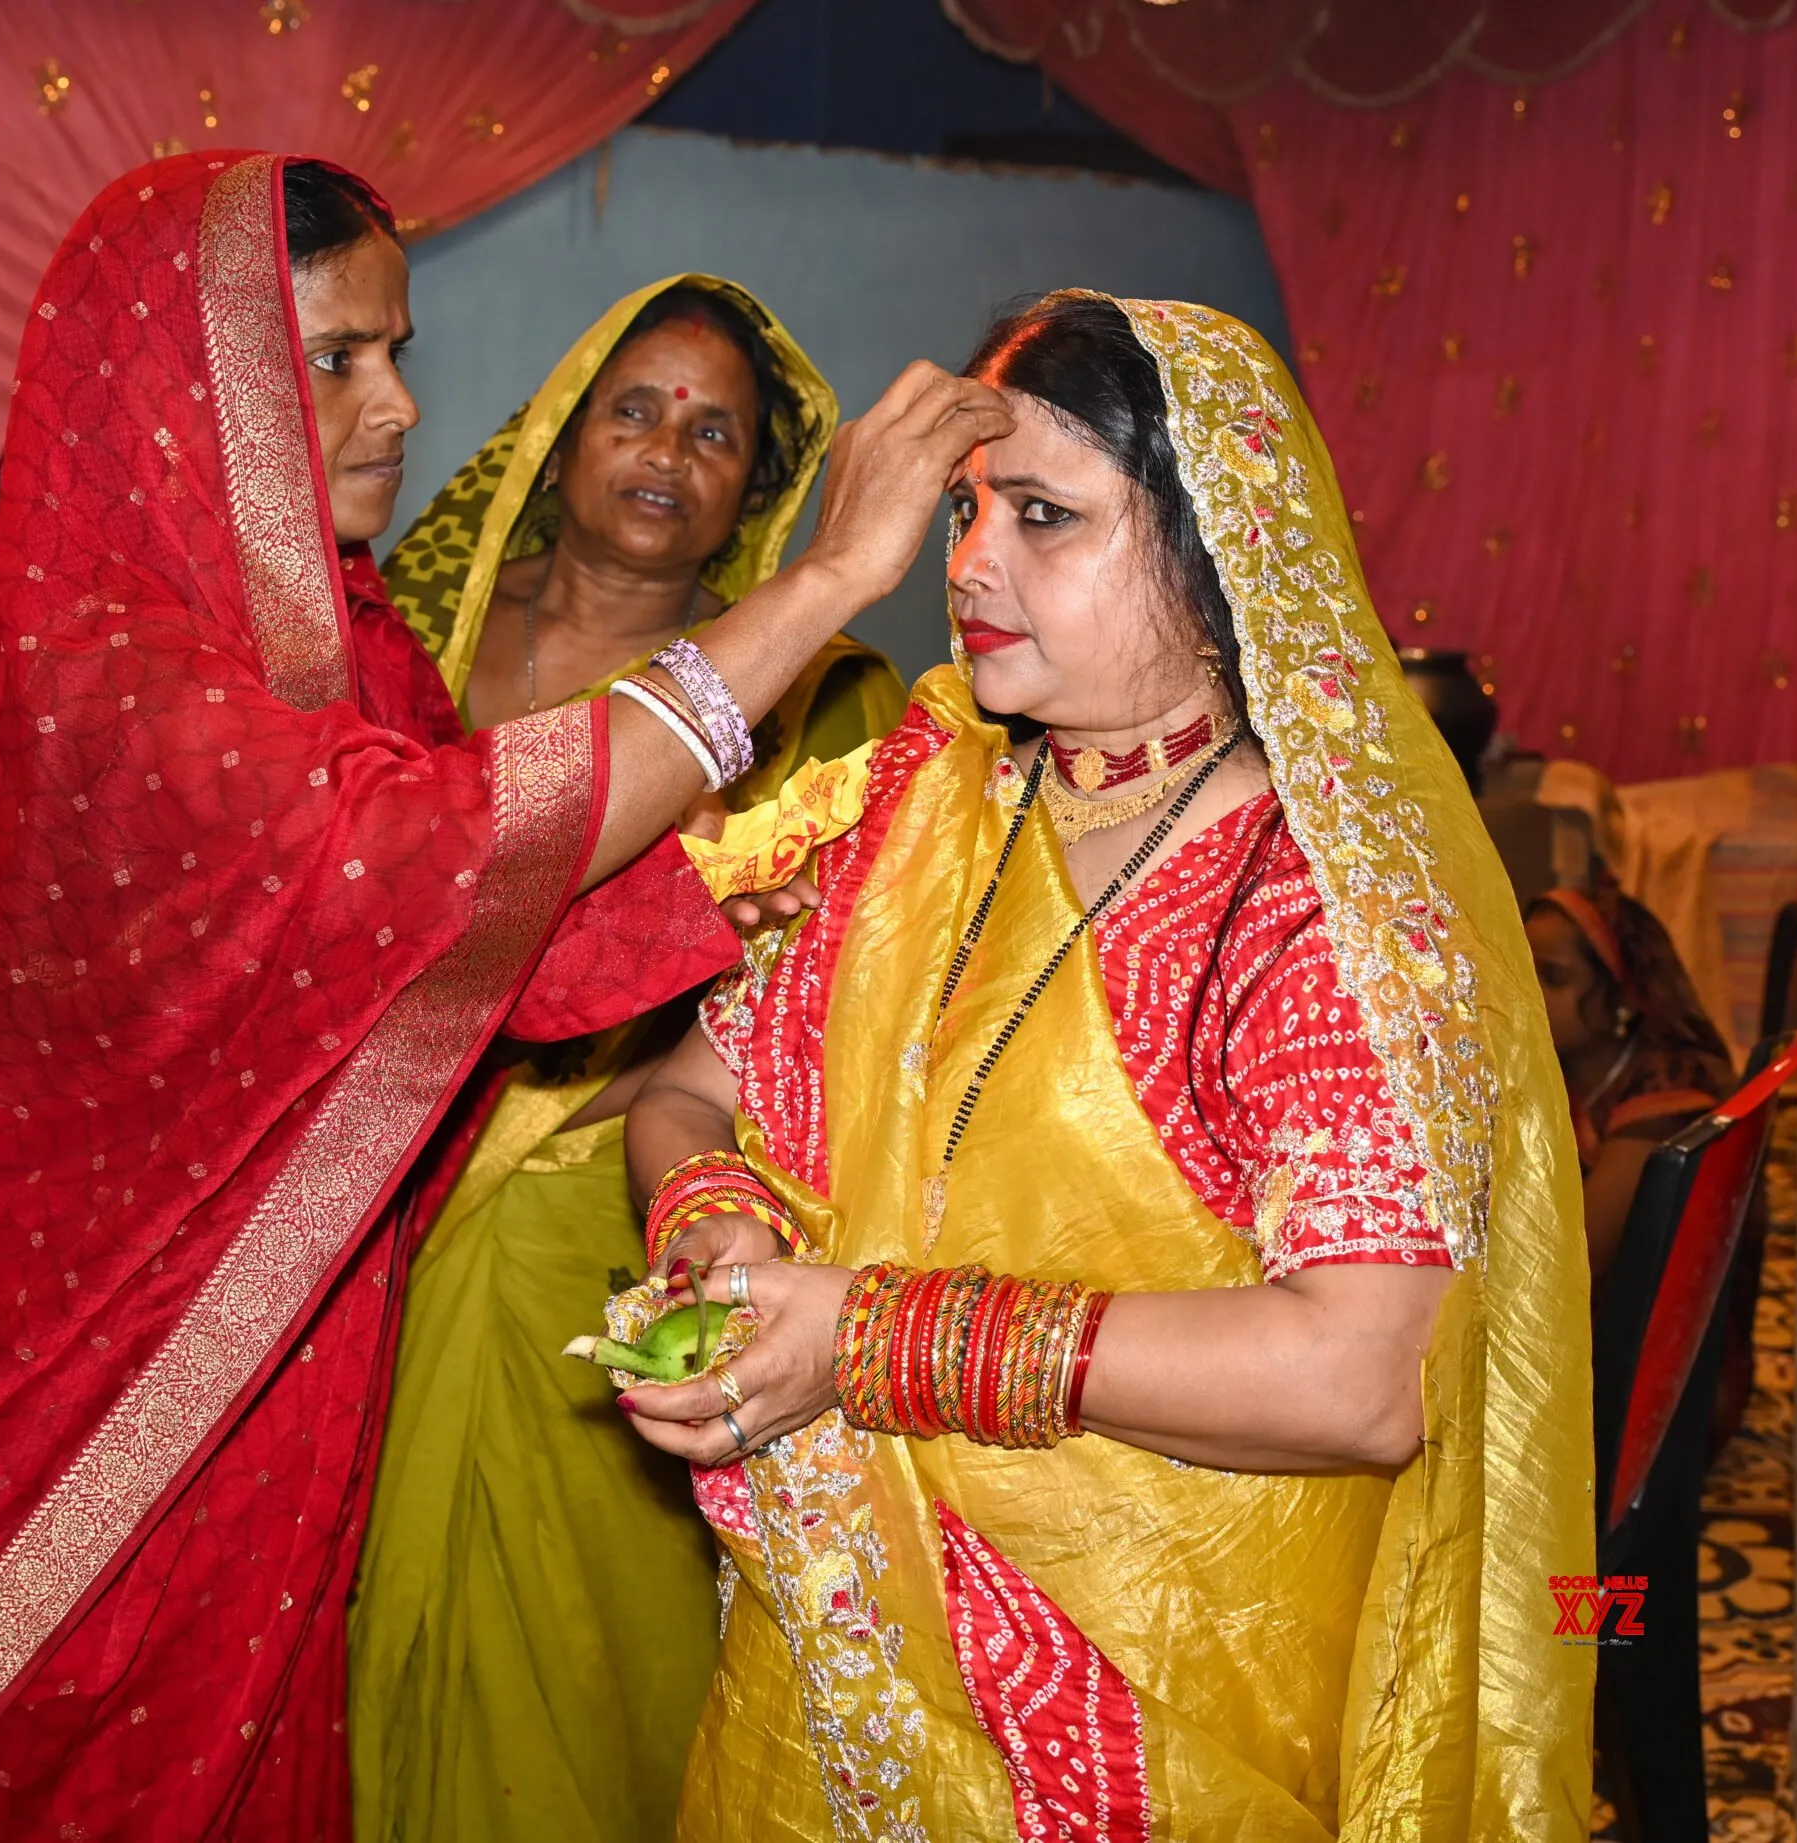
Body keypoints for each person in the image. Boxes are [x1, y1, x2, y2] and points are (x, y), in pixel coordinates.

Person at [0, 152, 1008, 1842]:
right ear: (200, 391)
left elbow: (476, 941)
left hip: (275, 1340)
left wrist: (737, 888)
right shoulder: (124, 671)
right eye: (337, 360)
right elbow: (434, 852)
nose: (399, 405)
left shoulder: (347, 643)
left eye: (400, 348)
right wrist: (823, 586)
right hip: (98, 1376)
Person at [619, 293, 1595, 1838]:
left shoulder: (1315, 904)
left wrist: (866, 1339)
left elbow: (1365, 1374)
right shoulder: (909, 800)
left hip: (1164, 1705)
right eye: (962, 508)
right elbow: (681, 1089)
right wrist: (716, 1226)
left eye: (1045, 515)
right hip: (852, 1659)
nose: (969, 562)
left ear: (1219, 559)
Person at [352, 277, 905, 1843]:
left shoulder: (815, 695)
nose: (669, 448)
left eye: (716, 430)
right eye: (638, 407)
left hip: (629, 1196)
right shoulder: (417, 632)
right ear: (563, 430)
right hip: (375, 1188)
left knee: (598, 1634)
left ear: (759, 490)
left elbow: (840, 964)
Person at [1525, 879, 1737, 1279]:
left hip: (1641, 1326)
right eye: (1519, 968)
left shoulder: (1669, 1088)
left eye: (1553, 977)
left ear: (1622, 997)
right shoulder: (1565, 1070)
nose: (1524, 990)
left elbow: (1572, 1262)